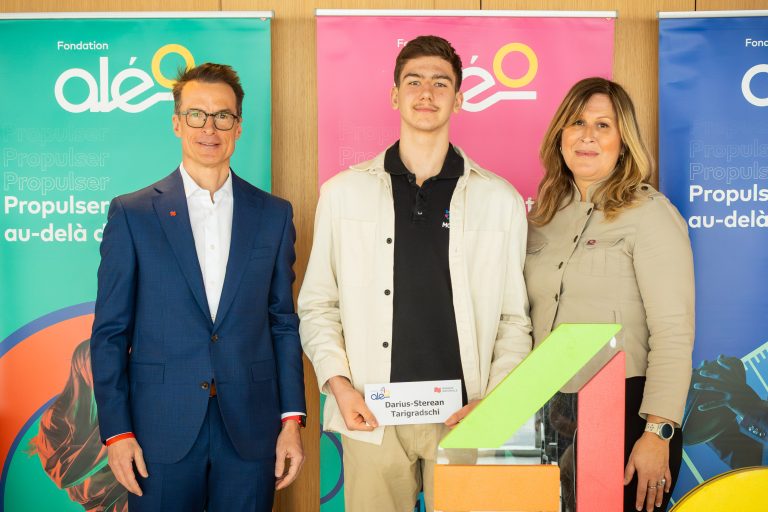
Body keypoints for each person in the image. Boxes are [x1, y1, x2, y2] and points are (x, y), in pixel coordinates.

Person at [298, 35, 532, 512]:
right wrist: (339, 387)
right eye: (414, 81)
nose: (427, 93)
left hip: (466, 418)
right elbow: (318, 305)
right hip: (371, 417)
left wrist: (494, 402)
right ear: (394, 95)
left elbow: (514, 319)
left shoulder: (500, 200)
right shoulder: (342, 194)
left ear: (459, 99)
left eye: (440, 83)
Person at [90, 63, 306, 512]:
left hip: (251, 429)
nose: (209, 128)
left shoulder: (274, 215)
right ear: (176, 123)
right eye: (196, 115)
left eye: (222, 116)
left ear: (238, 126)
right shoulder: (133, 215)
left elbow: (282, 322)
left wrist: (291, 420)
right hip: (157, 431)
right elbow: (110, 333)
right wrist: (117, 431)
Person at [524, 77, 694, 512]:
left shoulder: (651, 214)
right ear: (560, 135)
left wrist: (657, 433)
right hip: (549, 417)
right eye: (577, 122)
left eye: (603, 125)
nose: (587, 135)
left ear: (623, 142)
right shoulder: (540, 219)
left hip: (625, 413)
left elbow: (673, 332)